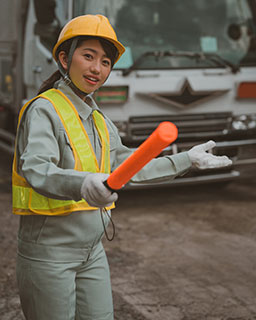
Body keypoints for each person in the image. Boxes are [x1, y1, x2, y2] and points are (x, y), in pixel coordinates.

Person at [12, 14, 232, 320]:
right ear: (64, 58)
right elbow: (36, 168)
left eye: (105, 62)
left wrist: (186, 160)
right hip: (49, 254)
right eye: (88, 56)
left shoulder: (99, 118)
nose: (97, 69)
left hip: (91, 251)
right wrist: (85, 183)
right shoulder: (43, 110)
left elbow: (128, 166)